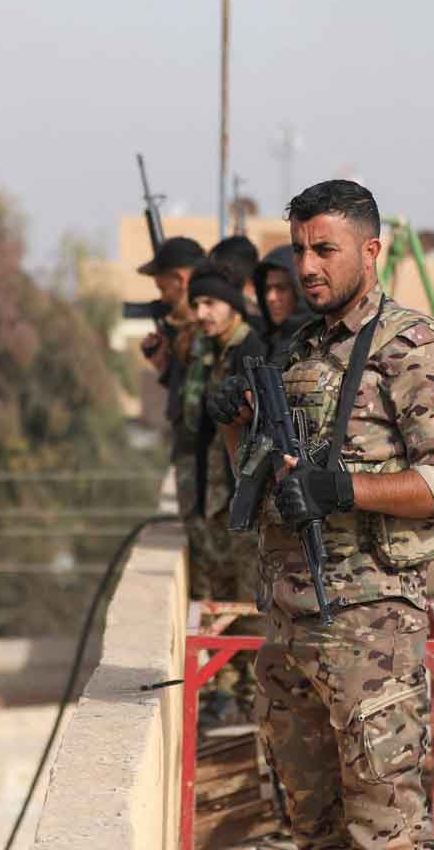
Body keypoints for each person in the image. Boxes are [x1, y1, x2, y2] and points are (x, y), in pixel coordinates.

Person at [211, 180, 434, 850]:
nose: (307, 267)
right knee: (313, 832)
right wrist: (236, 426)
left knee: (387, 834)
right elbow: (257, 484)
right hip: (290, 632)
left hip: (369, 635)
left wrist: (343, 490)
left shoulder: (408, 345)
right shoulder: (299, 349)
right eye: (299, 250)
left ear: (372, 250)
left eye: (324, 249)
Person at [188, 260, 268, 726]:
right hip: (219, 500)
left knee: (249, 602)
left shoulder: (250, 350)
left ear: (233, 306)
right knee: (222, 595)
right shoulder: (211, 352)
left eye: (210, 303)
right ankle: (229, 690)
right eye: (196, 304)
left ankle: (253, 696)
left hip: (245, 500)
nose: (201, 313)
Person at [138, 235, 211, 578]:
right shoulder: (187, 332)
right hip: (194, 465)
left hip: (209, 472)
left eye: (163, 287)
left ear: (181, 280)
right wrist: (165, 368)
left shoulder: (208, 331)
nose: (162, 298)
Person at [252, 243, 313, 358]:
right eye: (267, 289)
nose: (271, 298)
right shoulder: (264, 344)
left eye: (281, 288)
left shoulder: (314, 345)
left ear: (299, 290)